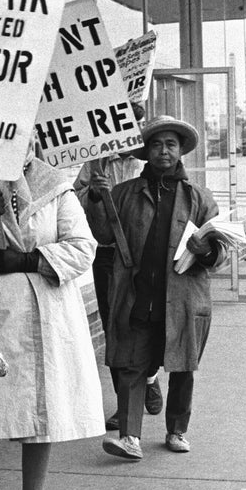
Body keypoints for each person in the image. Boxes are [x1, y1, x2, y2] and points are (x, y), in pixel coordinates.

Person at [0, 140, 105, 490]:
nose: (21, 144)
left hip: (44, 316)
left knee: (40, 416)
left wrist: (30, 259)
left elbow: (83, 246)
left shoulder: (55, 186)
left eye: (28, 135)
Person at [86, 115, 227, 460]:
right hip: (138, 294)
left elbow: (220, 252)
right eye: (156, 144)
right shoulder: (122, 193)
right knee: (131, 364)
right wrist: (95, 198)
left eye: (170, 145)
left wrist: (205, 250)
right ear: (146, 151)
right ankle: (129, 437)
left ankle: (177, 430)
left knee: (182, 365)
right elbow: (104, 236)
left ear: (180, 152)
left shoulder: (199, 197)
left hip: (183, 297)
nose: (163, 151)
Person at [74, 101, 163, 429]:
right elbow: (76, 197)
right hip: (109, 254)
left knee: (147, 322)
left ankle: (150, 374)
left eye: (134, 124)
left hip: (143, 253)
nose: (127, 131)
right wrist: (96, 196)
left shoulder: (148, 158)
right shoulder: (96, 160)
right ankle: (126, 404)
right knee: (115, 327)